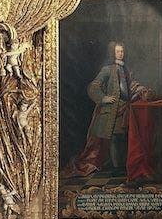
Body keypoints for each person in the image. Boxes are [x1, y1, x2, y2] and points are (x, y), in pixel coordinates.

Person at [64, 41, 151, 178]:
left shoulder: (126, 69)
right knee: (115, 138)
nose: (120, 54)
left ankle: (122, 165)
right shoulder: (107, 69)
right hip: (112, 110)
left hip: (125, 108)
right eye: (118, 51)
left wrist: (142, 90)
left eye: (122, 51)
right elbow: (93, 86)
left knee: (124, 136)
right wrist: (103, 98)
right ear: (113, 53)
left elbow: (131, 85)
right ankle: (117, 167)